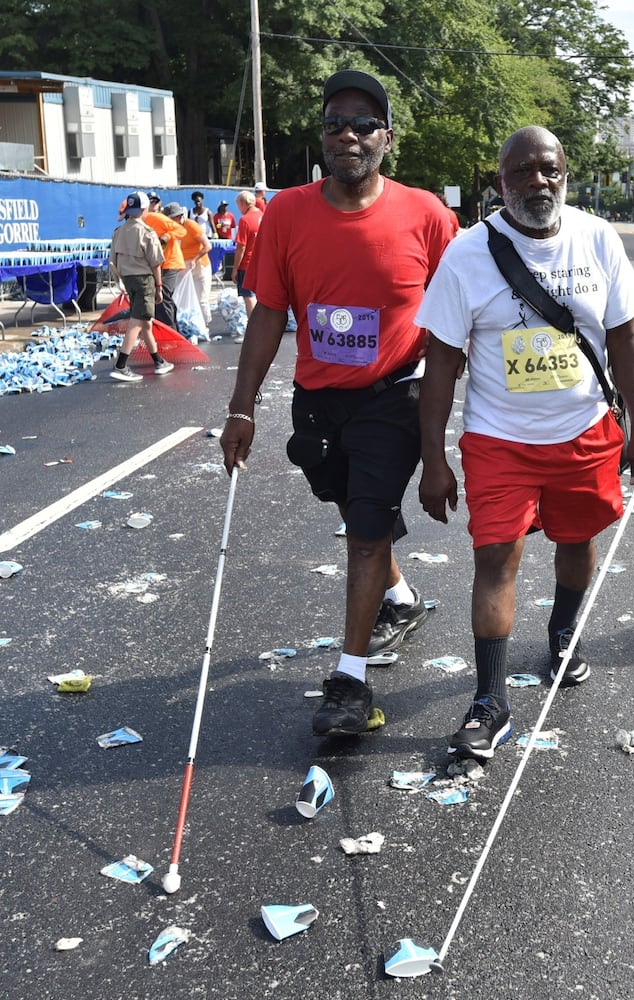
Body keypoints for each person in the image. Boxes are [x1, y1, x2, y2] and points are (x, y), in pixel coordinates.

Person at [220, 69, 459, 738]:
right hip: (317, 405)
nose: (348, 134)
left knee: (363, 530)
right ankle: (402, 599)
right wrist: (242, 410)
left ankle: (349, 682)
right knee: (351, 507)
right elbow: (269, 312)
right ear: (321, 136)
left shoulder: (428, 216)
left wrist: (450, 432)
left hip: (395, 396)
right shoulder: (287, 214)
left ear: (387, 138)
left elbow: (459, 316)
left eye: (363, 124)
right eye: (335, 124)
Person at [415, 126, 634, 760]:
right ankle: (490, 701)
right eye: (522, 172)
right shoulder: (467, 255)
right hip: (499, 440)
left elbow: (626, 340)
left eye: (548, 169)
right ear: (500, 182)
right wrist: (434, 460)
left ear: (565, 173)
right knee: (494, 559)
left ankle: (562, 630)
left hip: (583, 433)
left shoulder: (597, 238)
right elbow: (441, 364)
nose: (537, 183)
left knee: (575, 541)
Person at [107, 192, 173, 381]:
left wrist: (119, 281)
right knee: (137, 322)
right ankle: (121, 365)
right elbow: (156, 263)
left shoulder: (118, 232)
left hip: (127, 279)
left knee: (146, 323)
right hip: (144, 280)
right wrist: (159, 286)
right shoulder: (147, 232)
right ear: (144, 210)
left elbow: (113, 260)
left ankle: (158, 361)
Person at [143, 200, 188, 330]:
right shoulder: (137, 224)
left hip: (170, 263)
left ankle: (171, 332)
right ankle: (170, 330)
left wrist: (167, 236)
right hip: (158, 264)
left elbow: (181, 230)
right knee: (161, 298)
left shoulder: (155, 218)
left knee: (162, 296)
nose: (179, 220)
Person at [177, 201, 214, 325]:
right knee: (184, 298)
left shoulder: (191, 226)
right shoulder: (173, 228)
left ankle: (205, 325)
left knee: (201, 298)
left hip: (199, 264)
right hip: (183, 265)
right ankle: (189, 324)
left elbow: (207, 246)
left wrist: (195, 260)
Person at [232, 190, 263, 321]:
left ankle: (254, 323)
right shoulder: (263, 215)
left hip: (247, 264)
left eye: (238, 205)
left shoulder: (245, 220)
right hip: (262, 262)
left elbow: (241, 247)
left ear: (243, 203)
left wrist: (235, 269)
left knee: (248, 296)